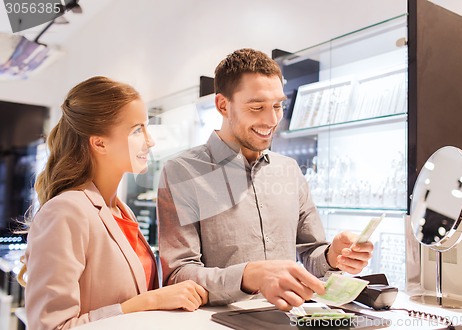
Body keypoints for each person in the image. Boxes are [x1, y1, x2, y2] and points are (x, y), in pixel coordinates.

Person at [157, 48, 374, 311]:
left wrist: (333, 256)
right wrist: (250, 275)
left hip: (291, 318)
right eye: (257, 107)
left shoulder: (289, 170)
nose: (271, 120)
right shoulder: (183, 172)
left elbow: (311, 254)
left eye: (277, 106)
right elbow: (178, 275)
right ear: (223, 105)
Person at [19, 76, 208, 330]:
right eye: (137, 130)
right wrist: (148, 301)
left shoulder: (121, 210)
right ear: (99, 142)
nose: (150, 141)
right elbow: (51, 327)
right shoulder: (65, 212)